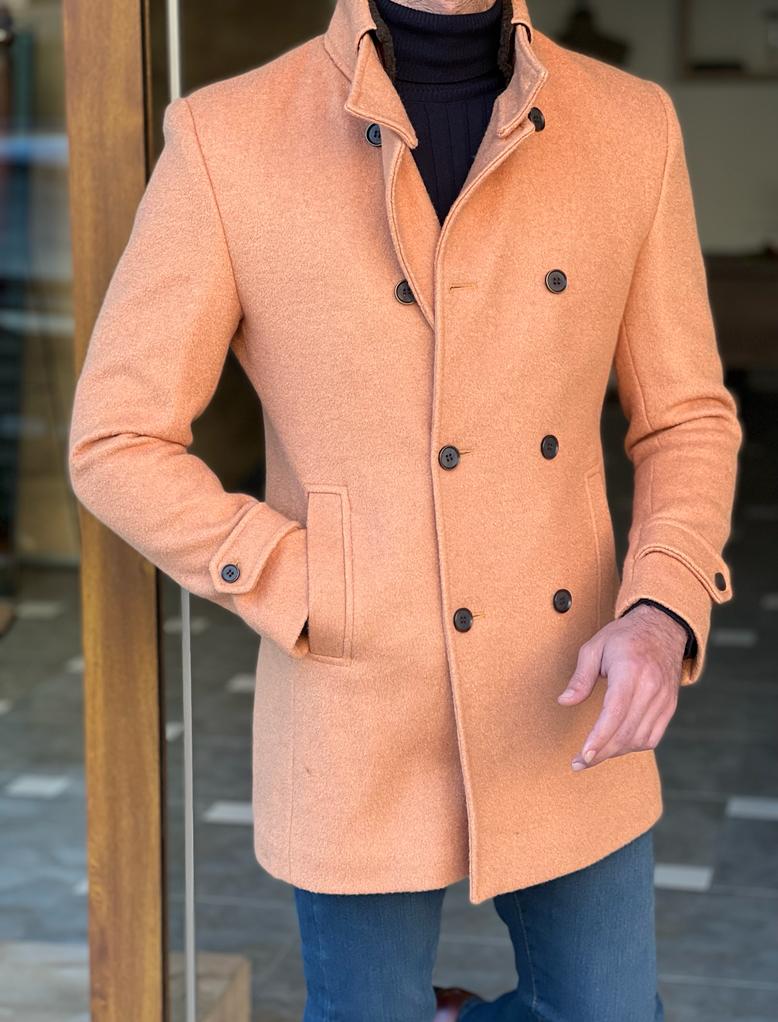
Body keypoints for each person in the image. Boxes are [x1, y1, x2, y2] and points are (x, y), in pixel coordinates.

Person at [67, 0, 742, 1018]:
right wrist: (303, 580)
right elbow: (115, 438)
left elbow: (686, 416)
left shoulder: (628, 123)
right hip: (356, 698)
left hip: (566, 686)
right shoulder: (227, 135)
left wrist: (661, 606)